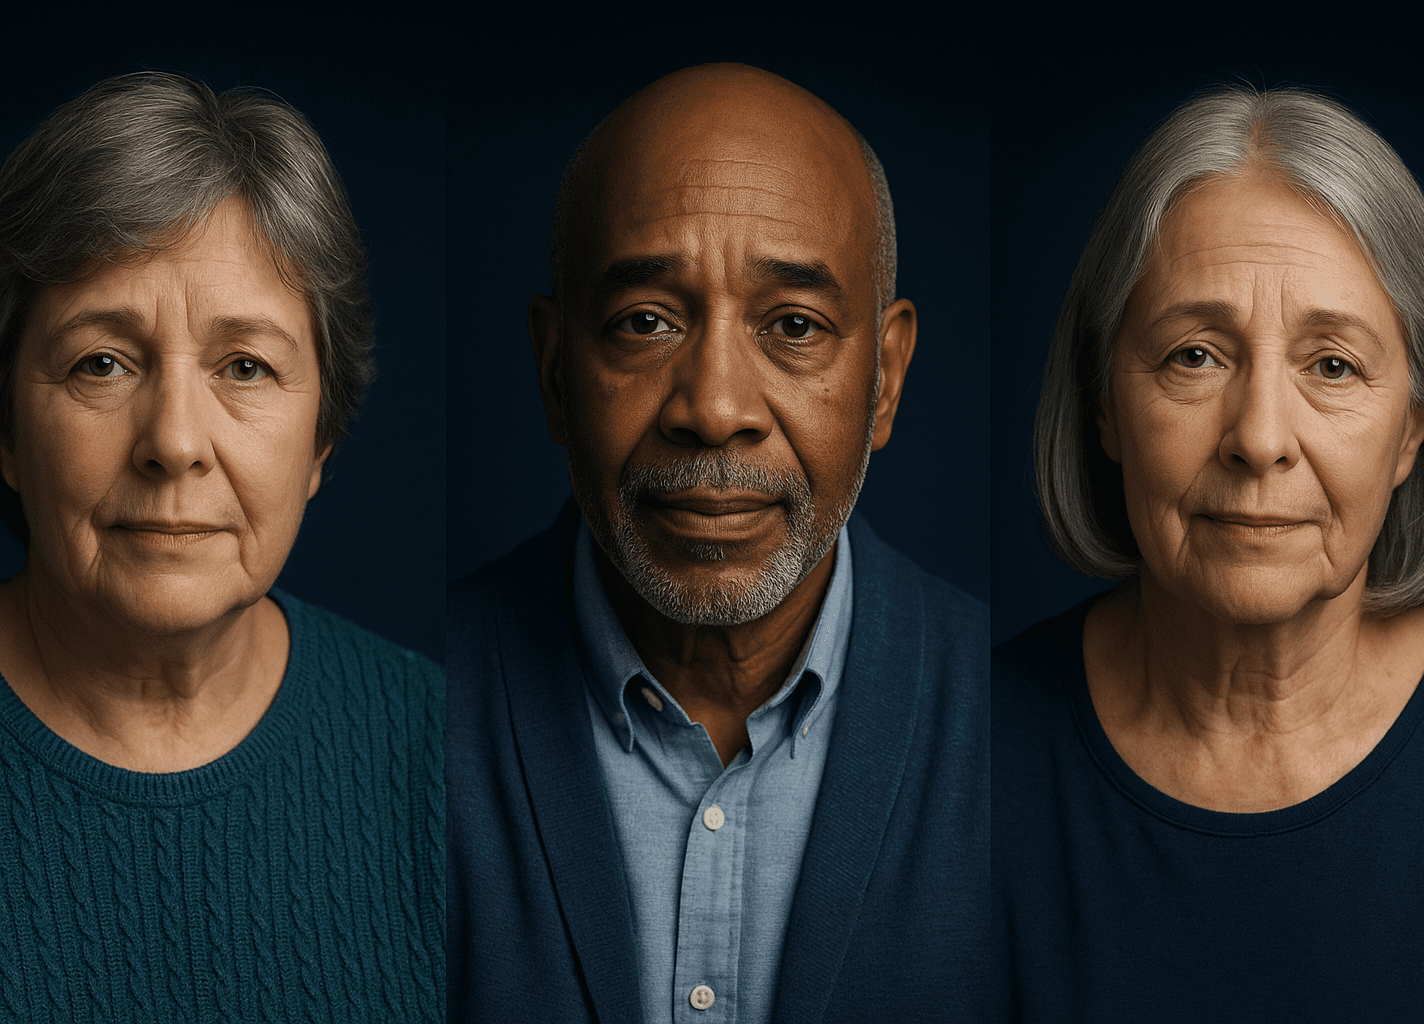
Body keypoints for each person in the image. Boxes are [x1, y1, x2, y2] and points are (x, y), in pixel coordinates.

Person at [448, 63, 991, 1023]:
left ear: (888, 377)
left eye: (793, 325)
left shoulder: (1011, 723)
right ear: (554, 374)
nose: (716, 409)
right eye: (645, 322)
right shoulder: (411, 714)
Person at [994, 84, 1424, 1021]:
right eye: (1195, 355)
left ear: (1414, 429)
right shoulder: (955, 756)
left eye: (1333, 365)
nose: (1260, 438)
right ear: (1102, 403)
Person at [0, 72, 443, 1020]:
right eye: (101, 363)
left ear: (321, 438)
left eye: (245, 365)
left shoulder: (447, 756)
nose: (174, 441)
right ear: (5, 430)